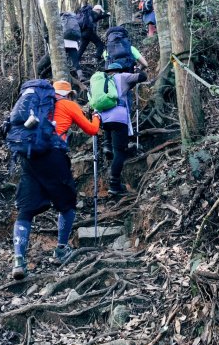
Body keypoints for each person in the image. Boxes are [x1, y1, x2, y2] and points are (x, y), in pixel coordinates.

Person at [12, 80, 100, 280]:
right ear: (68, 94)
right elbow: (92, 130)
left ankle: (19, 259)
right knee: (67, 202)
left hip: (29, 157)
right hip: (53, 156)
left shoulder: (36, 105)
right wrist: (96, 118)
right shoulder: (68, 105)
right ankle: (61, 249)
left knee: (25, 209)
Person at [98, 62, 147, 195]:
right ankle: (114, 186)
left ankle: (106, 145)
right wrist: (137, 69)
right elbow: (143, 77)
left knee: (115, 149)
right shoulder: (122, 76)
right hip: (119, 118)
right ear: (119, 70)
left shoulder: (103, 81)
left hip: (105, 119)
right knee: (120, 152)